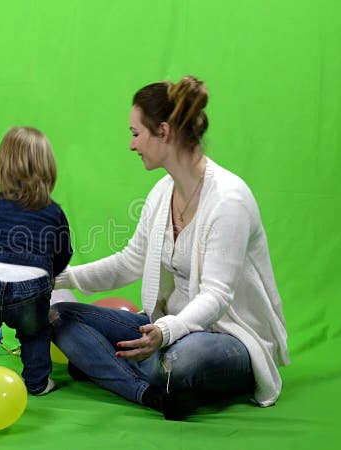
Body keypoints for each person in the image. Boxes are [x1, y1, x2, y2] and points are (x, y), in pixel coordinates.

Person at [50, 76, 289, 419]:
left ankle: (102, 367)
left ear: (163, 132)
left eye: (136, 133)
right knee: (59, 317)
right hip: (165, 328)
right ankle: (148, 392)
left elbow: (217, 295)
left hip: (226, 337)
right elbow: (130, 262)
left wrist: (165, 331)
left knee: (178, 361)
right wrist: (57, 279)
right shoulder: (163, 192)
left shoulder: (229, 200)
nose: (132, 145)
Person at [0, 126, 73, 396]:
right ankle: (37, 382)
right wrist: (49, 275)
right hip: (32, 287)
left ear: (2, 166)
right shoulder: (53, 212)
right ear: (48, 168)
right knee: (35, 333)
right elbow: (63, 253)